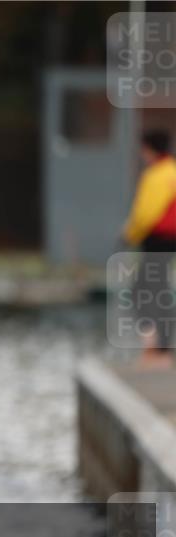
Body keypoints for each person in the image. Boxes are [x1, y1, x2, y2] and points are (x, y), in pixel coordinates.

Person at [122, 129, 176, 367]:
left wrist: (128, 235)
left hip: (157, 240)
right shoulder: (173, 171)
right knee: (157, 288)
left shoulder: (155, 175)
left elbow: (146, 213)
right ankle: (161, 345)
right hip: (169, 241)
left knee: (140, 290)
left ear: (149, 149)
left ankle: (158, 346)